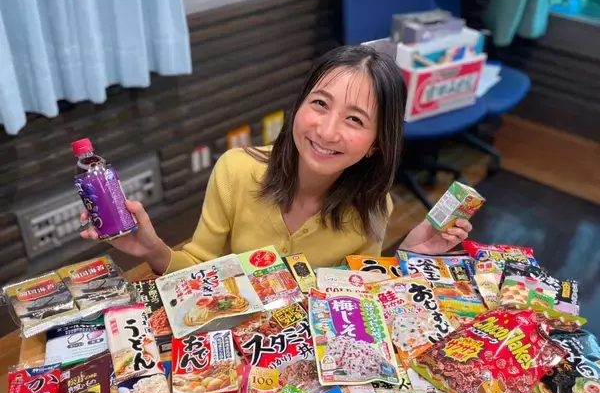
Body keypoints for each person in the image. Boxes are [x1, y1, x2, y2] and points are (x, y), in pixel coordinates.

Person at [80, 45, 472, 273]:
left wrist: (406, 259)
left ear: (376, 144)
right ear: (299, 106)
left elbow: (355, 291)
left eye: (355, 119)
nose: (327, 131)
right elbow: (200, 266)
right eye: (320, 104)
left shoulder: (373, 206)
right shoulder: (236, 170)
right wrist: (153, 250)